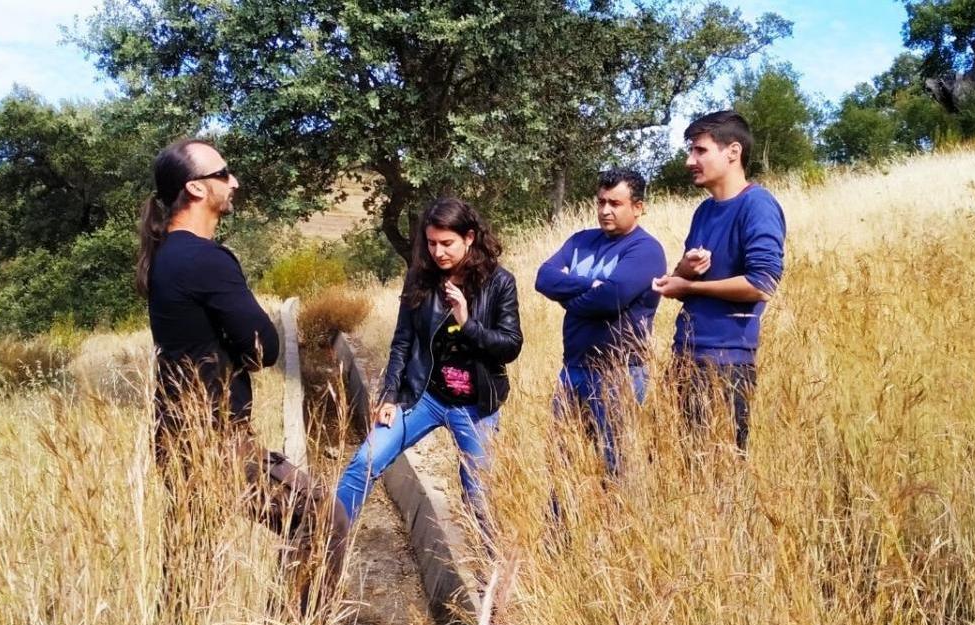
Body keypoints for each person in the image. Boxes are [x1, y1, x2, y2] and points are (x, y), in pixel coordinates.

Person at [138, 138, 347, 615]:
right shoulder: (205, 260)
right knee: (322, 515)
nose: (233, 182)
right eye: (223, 174)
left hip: (175, 434)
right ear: (195, 188)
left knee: (190, 563)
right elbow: (266, 348)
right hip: (215, 438)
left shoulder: (167, 255)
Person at [336, 198, 523, 543]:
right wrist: (389, 396)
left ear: (469, 237)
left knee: (479, 496)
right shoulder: (419, 279)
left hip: (475, 405)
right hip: (423, 396)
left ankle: (490, 584)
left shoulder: (499, 283)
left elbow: (510, 346)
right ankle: (324, 548)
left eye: (447, 243)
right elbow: (402, 343)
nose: (438, 252)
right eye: (432, 243)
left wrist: (467, 321)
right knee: (364, 462)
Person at [652, 111, 786, 452]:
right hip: (685, 356)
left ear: (733, 152)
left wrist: (690, 287)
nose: (689, 161)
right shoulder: (705, 210)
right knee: (686, 468)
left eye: (700, 151)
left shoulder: (757, 205)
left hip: (727, 363)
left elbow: (763, 283)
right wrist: (683, 270)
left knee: (721, 474)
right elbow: (680, 283)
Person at [535, 168, 665, 475]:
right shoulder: (582, 240)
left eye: (615, 203)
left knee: (615, 464)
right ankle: (559, 524)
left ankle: (615, 523)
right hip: (574, 369)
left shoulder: (645, 249)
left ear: (638, 207)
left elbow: (612, 297)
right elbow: (543, 277)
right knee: (563, 462)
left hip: (619, 373)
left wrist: (567, 295)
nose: (605, 210)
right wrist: (587, 287)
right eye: (601, 202)